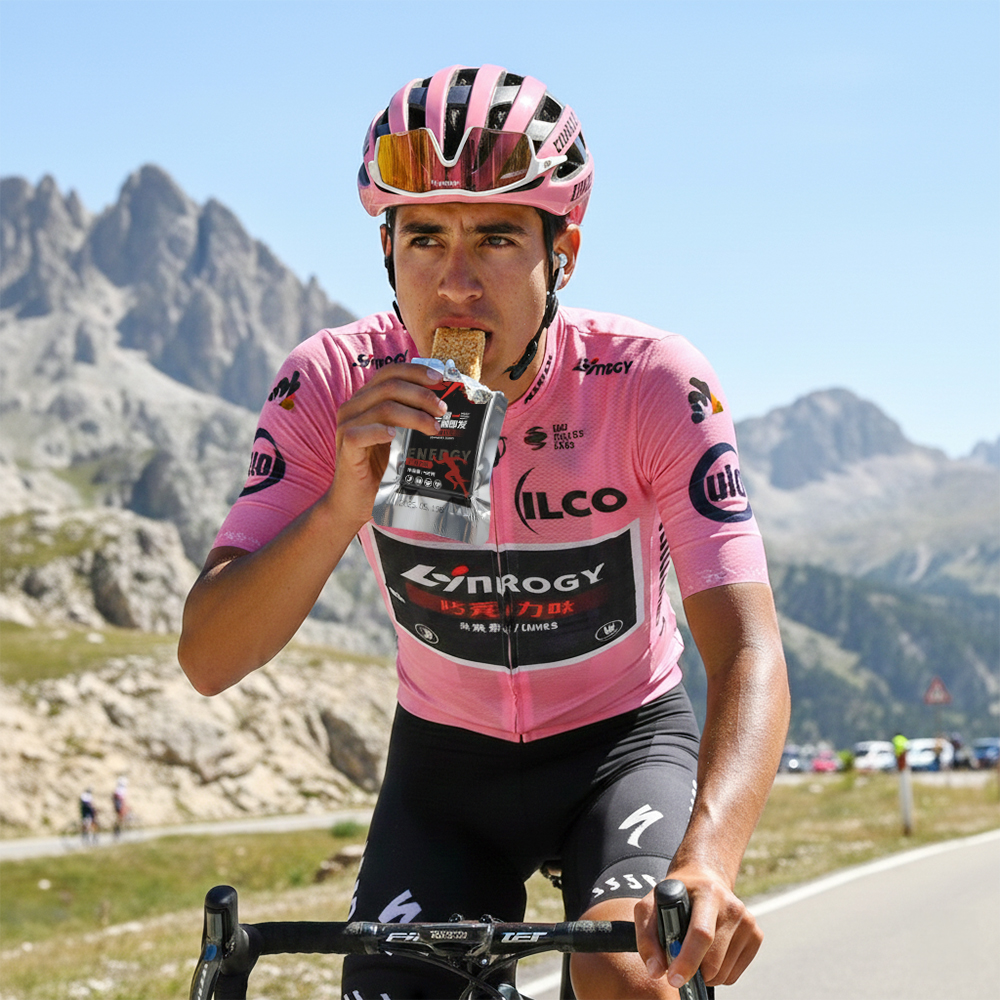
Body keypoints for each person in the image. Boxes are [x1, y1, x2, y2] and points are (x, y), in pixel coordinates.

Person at [179, 64, 790, 999]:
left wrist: (708, 857)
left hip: (622, 747)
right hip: (445, 766)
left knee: (628, 974)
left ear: (563, 252)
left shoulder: (652, 382)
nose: (456, 284)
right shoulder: (332, 382)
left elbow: (747, 646)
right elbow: (209, 657)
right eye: (425, 237)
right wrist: (341, 505)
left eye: (498, 238)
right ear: (387, 250)